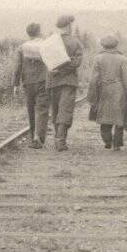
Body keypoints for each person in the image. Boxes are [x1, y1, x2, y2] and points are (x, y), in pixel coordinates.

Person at [87, 35, 127, 151]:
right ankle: (117, 144)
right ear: (116, 45)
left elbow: (93, 80)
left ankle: (107, 140)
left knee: (104, 116)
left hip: (104, 90)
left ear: (103, 45)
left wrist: (92, 97)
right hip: (119, 90)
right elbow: (126, 80)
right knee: (119, 118)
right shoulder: (122, 59)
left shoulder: (98, 58)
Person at [46, 14, 84, 151]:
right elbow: (76, 63)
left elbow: (46, 61)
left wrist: (56, 70)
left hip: (53, 81)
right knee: (65, 110)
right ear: (69, 25)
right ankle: (60, 141)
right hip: (68, 81)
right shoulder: (75, 42)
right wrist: (63, 71)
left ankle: (58, 138)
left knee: (56, 110)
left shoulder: (49, 41)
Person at [12, 22, 49, 148]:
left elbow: (17, 67)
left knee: (31, 110)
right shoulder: (45, 45)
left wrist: (15, 84)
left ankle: (33, 136)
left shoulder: (22, 48)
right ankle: (38, 138)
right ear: (39, 31)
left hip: (27, 83)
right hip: (43, 81)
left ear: (28, 33)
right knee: (42, 109)